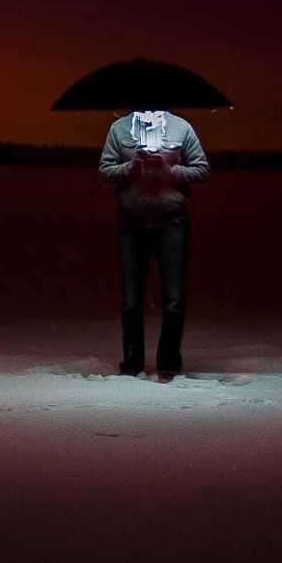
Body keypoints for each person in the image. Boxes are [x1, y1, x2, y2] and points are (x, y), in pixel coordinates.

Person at [98, 107, 208, 380]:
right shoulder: (120, 129)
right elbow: (104, 171)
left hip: (172, 222)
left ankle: (168, 364)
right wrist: (131, 167)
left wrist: (171, 171)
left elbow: (202, 169)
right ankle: (132, 363)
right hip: (132, 222)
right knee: (131, 300)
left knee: (174, 299)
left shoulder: (181, 127)